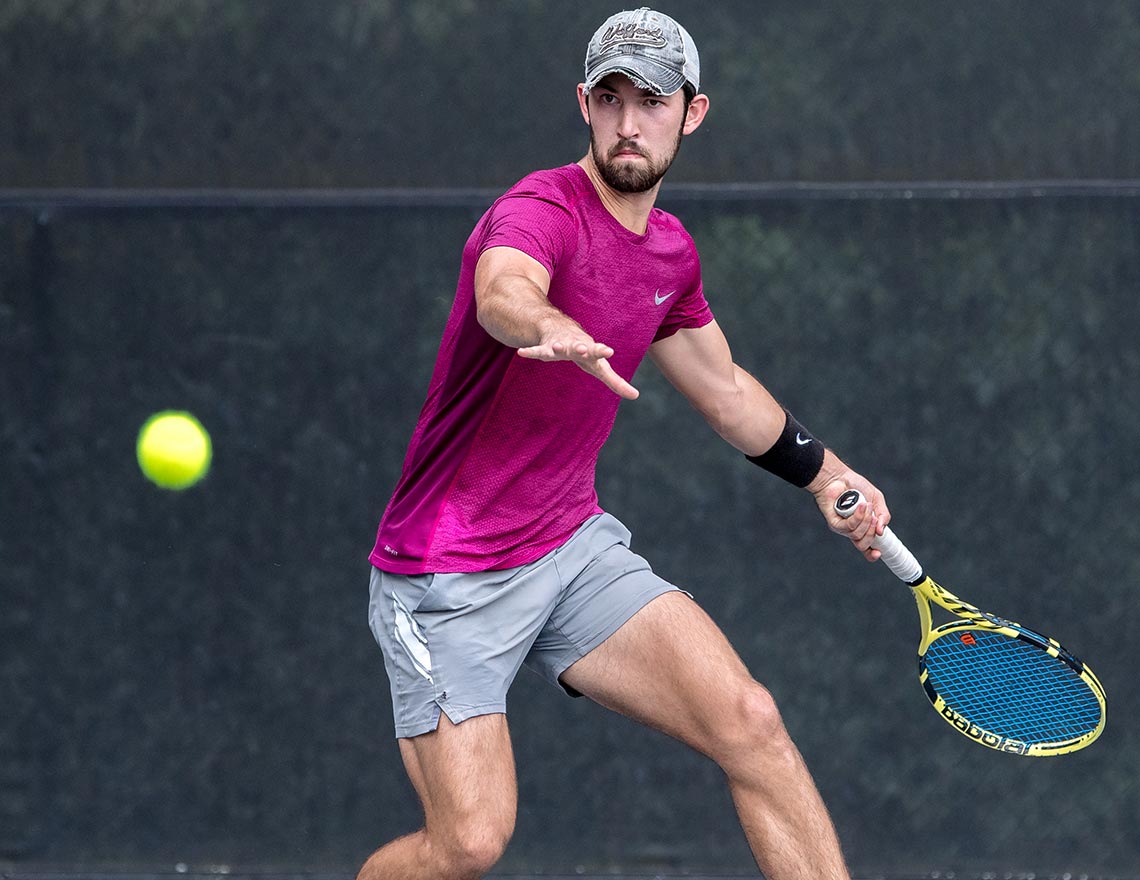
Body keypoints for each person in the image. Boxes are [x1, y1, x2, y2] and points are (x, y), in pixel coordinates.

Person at [360, 8, 889, 879]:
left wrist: (828, 476)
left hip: (568, 547)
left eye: (651, 100)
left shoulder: (668, 255)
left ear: (693, 113)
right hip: (444, 575)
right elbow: (503, 288)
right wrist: (545, 322)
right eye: (611, 98)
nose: (629, 121)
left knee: (750, 723)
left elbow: (725, 393)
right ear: (585, 105)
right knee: (467, 843)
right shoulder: (540, 209)